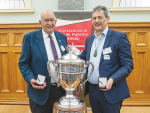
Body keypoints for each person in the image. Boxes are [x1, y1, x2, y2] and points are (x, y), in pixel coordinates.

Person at [79, 6, 133, 113]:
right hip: (93, 90)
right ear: (91, 21)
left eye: (100, 17)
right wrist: (68, 58)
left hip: (111, 91)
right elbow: (82, 57)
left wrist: (112, 79)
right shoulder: (89, 40)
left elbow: (128, 65)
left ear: (107, 19)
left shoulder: (119, 37)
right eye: (94, 18)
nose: (97, 21)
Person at [18, 9, 68, 113]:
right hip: (40, 91)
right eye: (46, 20)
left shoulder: (62, 37)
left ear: (55, 21)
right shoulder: (30, 38)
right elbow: (23, 63)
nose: (50, 23)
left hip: (61, 90)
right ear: (40, 22)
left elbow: (66, 62)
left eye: (52, 20)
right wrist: (31, 79)